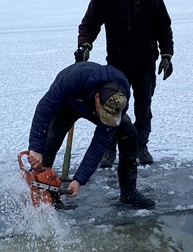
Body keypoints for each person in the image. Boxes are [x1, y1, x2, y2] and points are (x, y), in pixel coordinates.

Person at [75, 0, 174, 168]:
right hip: (116, 64)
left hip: (145, 62)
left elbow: (163, 27)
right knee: (112, 107)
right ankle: (109, 149)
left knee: (143, 107)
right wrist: (85, 44)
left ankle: (140, 146)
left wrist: (167, 55)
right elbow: (90, 22)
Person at [27, 61, 155, 209]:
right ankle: (41, 190)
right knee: (50, 143)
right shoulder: (73, 79)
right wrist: (36, 148)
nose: (106, 119)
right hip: (68, 103)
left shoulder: (120, 97)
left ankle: (129, 194)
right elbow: (44, 109)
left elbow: (99, 144)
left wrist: (79, 180)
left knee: (129, 133)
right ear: (97, 98)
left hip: (95, 106)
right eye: (104, 115)